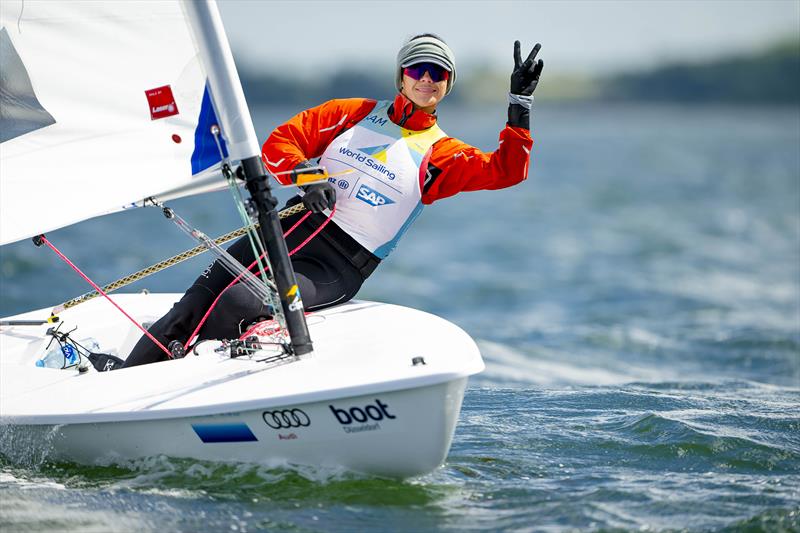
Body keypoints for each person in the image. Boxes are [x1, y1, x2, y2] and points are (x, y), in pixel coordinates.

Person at [123, 33, 544, 367]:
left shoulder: (441, 154)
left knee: (237, 302)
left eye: (440, 73)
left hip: (335, 264)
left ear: (448, 85)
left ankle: (181, 387)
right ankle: (123, 383)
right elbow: (281, 142)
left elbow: (506, 170)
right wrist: (305, 176)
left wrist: (518, 106)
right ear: (402, 75)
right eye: (420, 68)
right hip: (284, 229)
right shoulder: (352, 113)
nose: (428, 79)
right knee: (193, 303)